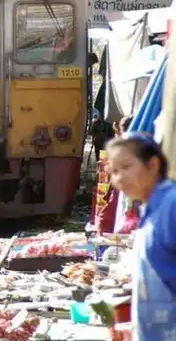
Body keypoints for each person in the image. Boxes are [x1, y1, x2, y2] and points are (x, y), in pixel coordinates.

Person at [105, 132, 176, 340]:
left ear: (152, 165)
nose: (119, 178)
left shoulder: (171, 204)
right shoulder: (150, 208)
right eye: (114, 171)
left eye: (126, 167)